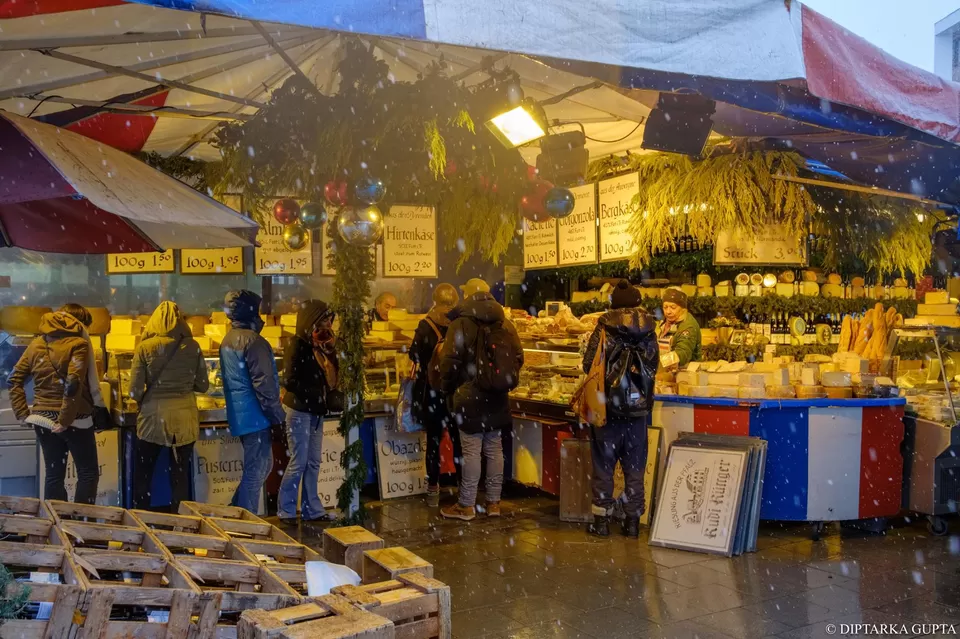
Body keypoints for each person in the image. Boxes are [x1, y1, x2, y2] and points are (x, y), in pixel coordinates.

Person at [438, 278, 523, 521]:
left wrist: (449, 388)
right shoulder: (504, 323)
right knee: (494, 448)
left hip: (468, 396)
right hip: (497, 395)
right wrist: (497, 379)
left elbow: (449, 363)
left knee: (472, 449)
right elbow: (518, 356)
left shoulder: (460, 324)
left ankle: (466, 505)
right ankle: (494, 502)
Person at [582, 280, 659, 538]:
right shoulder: (650, 328)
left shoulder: (604, 326)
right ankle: (632, 522)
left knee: (604, 464)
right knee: (635, 466)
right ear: (638, 302)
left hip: (608, 408)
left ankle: (601, 521)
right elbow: (653, 365)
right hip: (638, 409)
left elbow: (588, 364)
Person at [8, 305, 100, 503]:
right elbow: (73, 384)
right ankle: (82, 525)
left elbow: (14, 379)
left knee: (53, 475)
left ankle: (56, 526)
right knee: (88, 473)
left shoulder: (35, 344)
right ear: (78, 323)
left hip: (41, 418)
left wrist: (22, 413)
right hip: (75, 419)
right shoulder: (79, 344)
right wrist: (65, 420)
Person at [129, 301, 209, 511]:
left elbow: (134, 391)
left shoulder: (145, 347)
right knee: (179, 474)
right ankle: (179, 525)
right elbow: (203, 385)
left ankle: (141, 520)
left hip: (152, 419)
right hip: (185, 419)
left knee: (143, 474)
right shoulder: (193, 346)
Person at [219, 290, 285, 513]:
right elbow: (264, 385)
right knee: (256, 472)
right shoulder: (254, 342)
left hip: (241, 415)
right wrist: (277, 418)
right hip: (257, 416)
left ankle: (235, 511)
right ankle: (245, 523)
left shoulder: (228, 339)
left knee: (259, 468)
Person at [278, 300, 338, 522]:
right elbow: (289, 380)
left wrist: (331, 351)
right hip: (300, 410)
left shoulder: (320, 346)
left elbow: (332, 377)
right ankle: (286, 510)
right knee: (299, 461)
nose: (326, 325)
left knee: (313, 461)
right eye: (322, 320)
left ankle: (312, 509)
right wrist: (315, 393)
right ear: (310, 320)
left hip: (316, 411)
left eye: (328, 320)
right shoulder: (297, 344)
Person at [410, 283, 462, 507]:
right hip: (454, 391)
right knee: (459, 440)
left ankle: (433, 488)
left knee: (433, 440)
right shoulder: (460, 324)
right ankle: (463, 486)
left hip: (432, 393)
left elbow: (414, 355)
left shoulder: (425, 325)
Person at [657, 288, 702, 369]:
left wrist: (659, 362)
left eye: (673, 307)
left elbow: (683, 353)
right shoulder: (666, 323)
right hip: (668, 372)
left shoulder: (688, 326)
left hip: (687, 374)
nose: (668, 311)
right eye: (665, 307)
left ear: (682, 308)